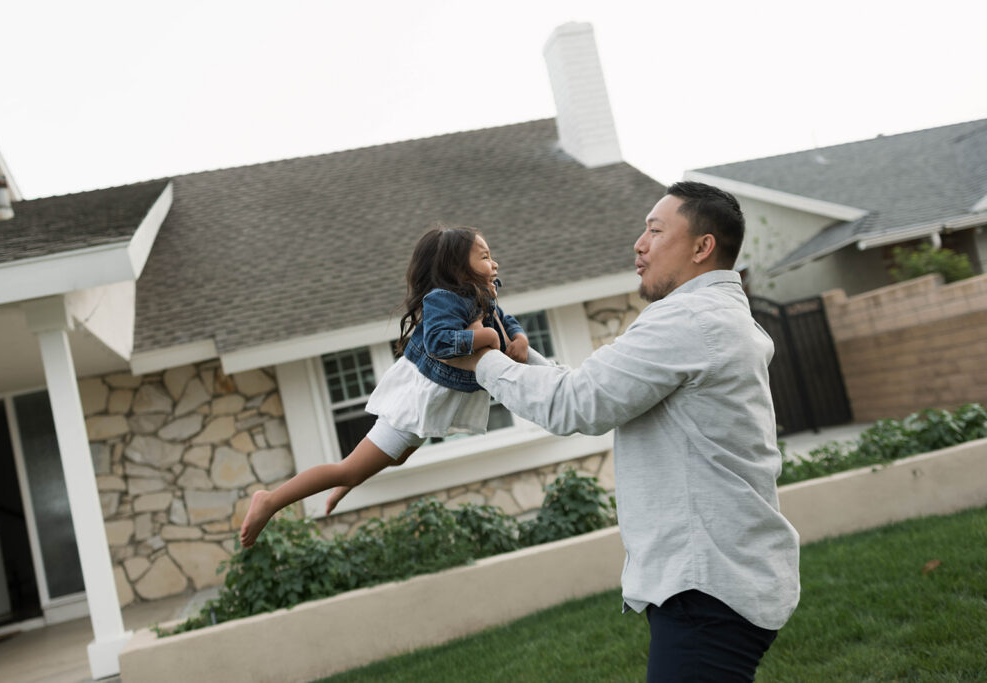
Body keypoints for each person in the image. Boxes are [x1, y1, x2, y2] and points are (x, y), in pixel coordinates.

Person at [449, 181, 800, 681]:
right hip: (720, 580)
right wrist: (527, 361)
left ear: (703, 248)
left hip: (707, 588)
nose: (640, 244)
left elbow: (578, 406)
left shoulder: (689, 320)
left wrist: (480, 359)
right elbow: (599, 391)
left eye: (655, 231)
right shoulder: (711, 317)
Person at [239, 226, 530, 549]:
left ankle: (347, 480)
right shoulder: (443, 299)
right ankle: (271, 500)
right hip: (417, 400)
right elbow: (438, 342)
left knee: (396, 458)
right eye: (486, 257)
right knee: (348, 469)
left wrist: (519, 338)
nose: (495, 264)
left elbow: (505, 318)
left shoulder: (482, 295)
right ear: (458, 268)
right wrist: (486, 338)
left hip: (431, 404)